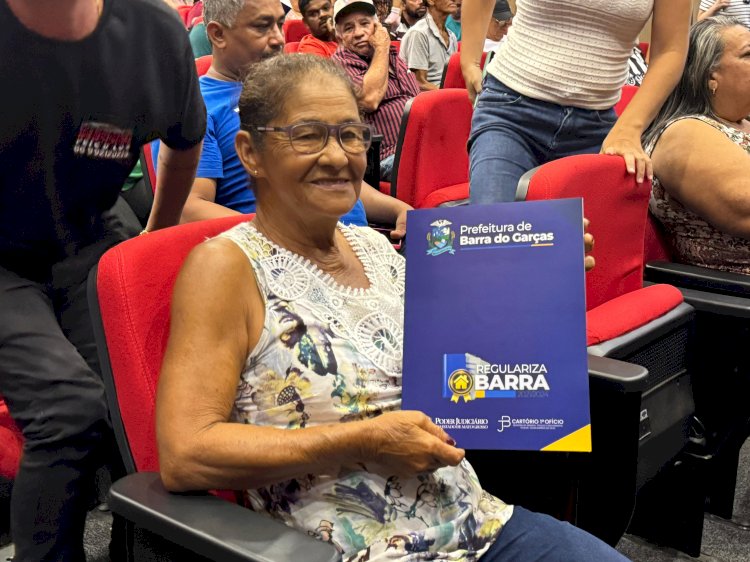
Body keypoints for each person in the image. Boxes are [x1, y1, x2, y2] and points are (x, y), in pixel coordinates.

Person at [156, 53, 625, 562]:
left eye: (351, 134)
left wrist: (534, 283)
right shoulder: (225, 267)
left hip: (477, 524)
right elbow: (186, 454)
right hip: (351, 551)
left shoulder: (376, 249)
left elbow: (463, 371)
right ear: (251, 152)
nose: (338, 156)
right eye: (309, 135)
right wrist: (359, 441)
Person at [0, 0, 205, 559]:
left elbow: (185, 143)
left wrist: (148, 248)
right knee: (68, 410)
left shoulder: (150, 33)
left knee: (149, 402)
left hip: (86, 234)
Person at [163, 0, 411, 235]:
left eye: (279, 24)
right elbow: (189, 210)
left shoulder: (298, 88)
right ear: (218, 35)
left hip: (362, 244)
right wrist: (286, 236)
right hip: (286, 261)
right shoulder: (197, 107)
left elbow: (336, 175)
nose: (279, 39)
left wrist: (397, 209)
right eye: (262, 27)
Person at [461, 0, 691, 204]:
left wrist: (629, 129)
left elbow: (670, 50)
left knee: (585, 247)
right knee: (494, 238)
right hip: (510, 113)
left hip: (595, 129)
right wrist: (469, 61)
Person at [644, 16, 750, 275]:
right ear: (709, 75)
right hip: (732, 295)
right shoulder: (685, 132)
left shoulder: (741, 122)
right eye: (748, 54)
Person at [333, 0, 421, 180]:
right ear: (339, 36)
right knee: (427, 167)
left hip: (419, 147)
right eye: (349, 28)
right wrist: (381, 46)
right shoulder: (341, 63)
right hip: (383, 158)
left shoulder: (391, 54)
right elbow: (369, 99)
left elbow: (415, 97)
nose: (358, 33)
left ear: (377, 26)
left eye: (365, 24)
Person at [400, 0, 458, 90]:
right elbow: (418, 83)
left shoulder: (452, 36)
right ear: (430, 1)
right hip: (426, 99)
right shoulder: (419, 33)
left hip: (447, 95)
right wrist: (449, 95)